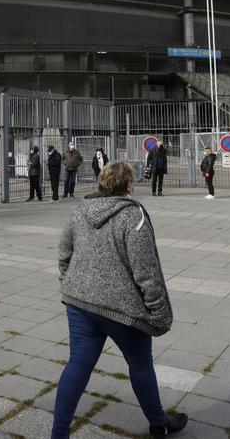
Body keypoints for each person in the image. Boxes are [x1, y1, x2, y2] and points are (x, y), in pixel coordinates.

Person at [53, 160, 188, 439]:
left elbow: (64, 252)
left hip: (79, 301)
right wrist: (158, 312)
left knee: (78, 364)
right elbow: (147, 272)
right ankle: (157, 423)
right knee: (140, 365)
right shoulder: (132, 216)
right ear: (128, 185)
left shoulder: (80, 210)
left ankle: (59, 434)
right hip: (122, 309)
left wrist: (70, 282)